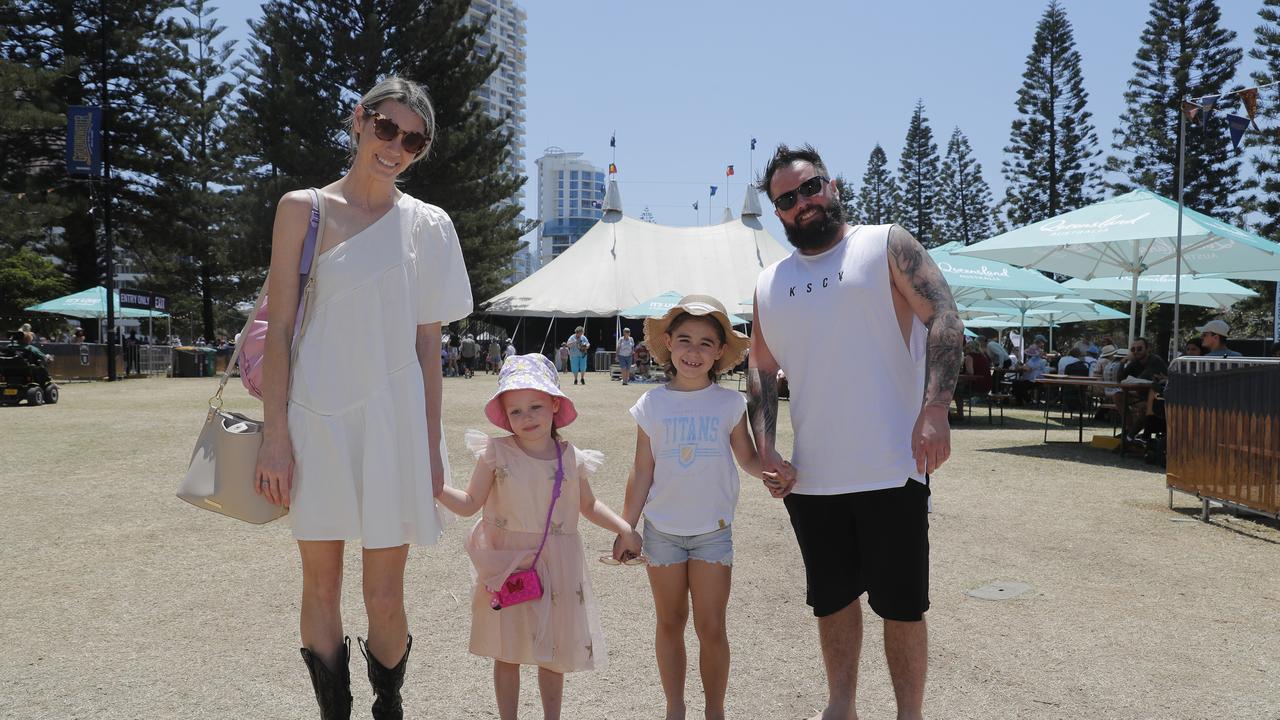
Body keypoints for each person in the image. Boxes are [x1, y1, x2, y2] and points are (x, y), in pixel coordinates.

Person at [252, 77, 472, 719]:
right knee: (319, 583)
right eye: (387, 129)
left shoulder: (428, 225)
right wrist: (275, 435)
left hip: (393, 421)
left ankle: (389, 707)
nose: (396, 147)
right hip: (313, 416)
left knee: (384, 594)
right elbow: (283, 328)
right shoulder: (303, 209)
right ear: (359, 120)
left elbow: (429, 346)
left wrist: (431, 445)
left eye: (413, 140)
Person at [747, 144, 961, 720]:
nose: (803, 203)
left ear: (831, 184)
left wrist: (936, 406)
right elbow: (761, 368)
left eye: (810, 187)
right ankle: (841, 705)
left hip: (892, 467)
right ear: (778, 213)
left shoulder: (884, 243)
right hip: (813, 477)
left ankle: (908, 714)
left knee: (902, 607)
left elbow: (943, 314)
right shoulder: (769, 282)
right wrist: (768, 450)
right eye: (787, 199)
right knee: (832, 603)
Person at [437, 354, 637, 720]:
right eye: (515, 411)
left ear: (555, 405)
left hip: (557, 566)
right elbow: (468, 504)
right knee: (507, 650)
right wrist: (434, 487)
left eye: (535, 406)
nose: (526, 417)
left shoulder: (570, 457)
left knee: (554, 653)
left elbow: (588, 506)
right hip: (508, 564)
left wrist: (623, 527)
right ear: (504, 414)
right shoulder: (496, 453)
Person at [619, 296, 787, 720]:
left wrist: (769, 469)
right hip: (661, 532)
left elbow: (747, 458)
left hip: (713, 532)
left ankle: (715, 711)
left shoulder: (729, 405)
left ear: (719, 353)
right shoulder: (651, 404)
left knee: (711, 628)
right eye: (685, 340)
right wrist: (627, 527)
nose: (694, 352)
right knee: (669, 623)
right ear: (669, 345)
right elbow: (641, 472)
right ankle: (675, 707)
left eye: (706, 343)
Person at [954, 339, 992, 420]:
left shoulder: (969, 356)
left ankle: (960, 414)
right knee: (958, 389)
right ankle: (957, 414)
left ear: (969, 348)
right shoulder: (983, 356)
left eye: (966, 348)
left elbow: (970, 373)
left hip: (977, 385)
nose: (965, 350)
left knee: (957, 391)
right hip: (987, 385)